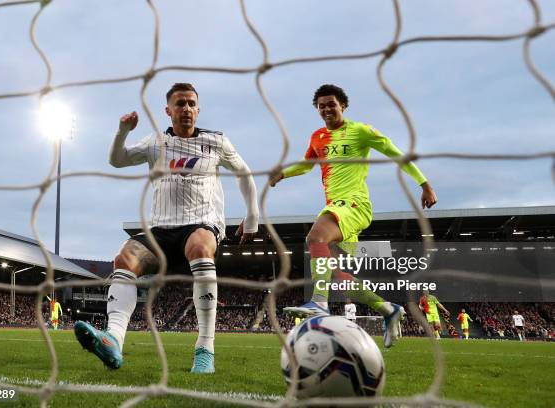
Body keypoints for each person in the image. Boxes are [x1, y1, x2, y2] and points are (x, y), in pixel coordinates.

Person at [74, 83, 259, 373]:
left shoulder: (217, 142)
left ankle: (205, 349)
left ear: (198, 110)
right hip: (161, 229)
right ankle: (113, 341)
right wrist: (123, 131)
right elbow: (117, 160)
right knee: (124, 258)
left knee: (200, 246)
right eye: (180, 104)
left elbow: (245, 174)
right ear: (168, 110)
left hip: (201, 223)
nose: (186, 109)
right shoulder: (155, 141)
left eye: (191, 104)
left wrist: (252, 217)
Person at [270, 84, 437, 347]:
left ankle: (319, 303)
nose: (326, 109)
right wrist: (283, 173)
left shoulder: (360, 131)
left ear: (343, 106)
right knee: (338, 275)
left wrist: (424, 183)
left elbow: (396, 154)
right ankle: (388, 309)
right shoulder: (318, 137)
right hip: (339, 207)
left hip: (355, 205)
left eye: (331, 104)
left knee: (315, 237)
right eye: (321, 105)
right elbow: (307, 164)